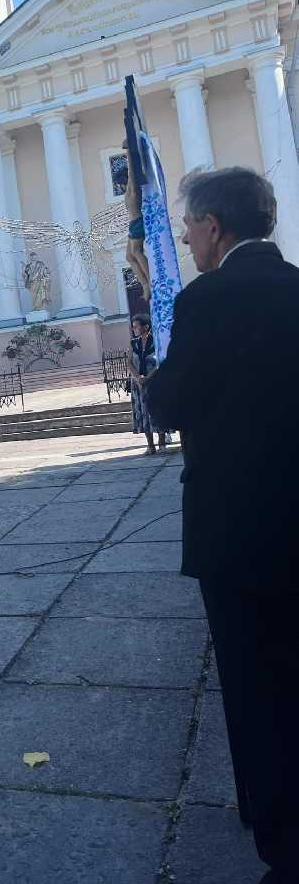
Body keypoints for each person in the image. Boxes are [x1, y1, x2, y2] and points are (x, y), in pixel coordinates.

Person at [146, 167, 299, 884]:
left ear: (214, 227)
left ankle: (279, 834)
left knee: (253, 680)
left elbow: (170, 403)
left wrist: (154, 373)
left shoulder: (205, 300)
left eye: (189, 224)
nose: (183, 235)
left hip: (235, 526)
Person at [128, 313, 166, 455]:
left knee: (157, 411)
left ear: (145, 327)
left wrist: (148, 377)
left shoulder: (156, 341)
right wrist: (138, 377)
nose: (134, 329)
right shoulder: (133, 343)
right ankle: (150, 445)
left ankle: (161, 443)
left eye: (136, 326)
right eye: (133, 327)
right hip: (139, 384)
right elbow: (129, 362)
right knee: (143, 413)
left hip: (154, 382)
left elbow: (160, 361)